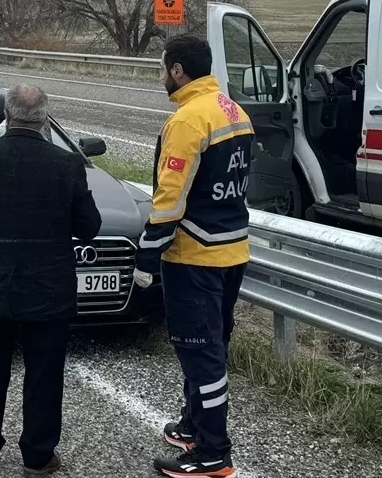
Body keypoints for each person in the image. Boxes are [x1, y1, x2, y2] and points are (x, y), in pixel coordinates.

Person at [0, 84, 102, 477]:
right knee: (45, 374)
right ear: (45, 118)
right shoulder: (67, 164)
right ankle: (38, 455)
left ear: (7, 114)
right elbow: (89, 228)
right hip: (49, 287)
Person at [134, 34, 253, 478]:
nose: (162, 76)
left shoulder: (188, 120)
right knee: (212, 346)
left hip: (194, 256)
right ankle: (191, 426)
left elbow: (170, 197)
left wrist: (147, 253)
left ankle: (211, 453)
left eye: (163, 68)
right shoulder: (232, 110)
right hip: (233, 249)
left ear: (178, 70)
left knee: (199, 353)